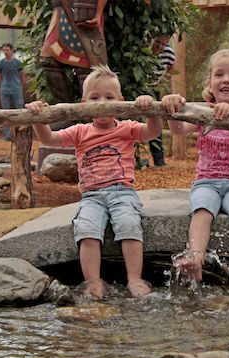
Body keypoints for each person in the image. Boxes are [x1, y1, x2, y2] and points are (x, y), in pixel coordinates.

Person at [25, 64, 163, 299]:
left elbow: (152, 132)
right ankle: (93, 280)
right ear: (84, 102)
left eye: (109, 98)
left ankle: (135, 278)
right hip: (92, 196)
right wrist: (39, 117)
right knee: (87, 230)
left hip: (123, 192)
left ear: (120, 101)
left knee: (129, 225)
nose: (102, 103)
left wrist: (150, 110)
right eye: (95, 97)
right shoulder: (80, 131)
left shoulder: (127, 128)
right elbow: (48, 138)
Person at [161, 48, 229, 299]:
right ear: (210, 83)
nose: (226, 79)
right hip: (207, 182)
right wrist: (173, 108)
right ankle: (195, 258)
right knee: (203, 210)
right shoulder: (203, 113)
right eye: (219, 74)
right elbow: (179, 129)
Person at [147, 35, 176, 167]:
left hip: (154, 88)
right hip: (140, 86)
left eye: (163, 44)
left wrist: (162, 83)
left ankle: (159, 160)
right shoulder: (144, 48)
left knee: (155, 121)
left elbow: (172, 67)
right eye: (157, 42)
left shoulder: (169, 53)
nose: (159, 47)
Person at [0, 43, 26, 141]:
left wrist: (20, 87)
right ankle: (8, 135)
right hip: (5, 89)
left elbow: (22, 76)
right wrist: (3, 86)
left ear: (12, 50)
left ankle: (21, 135)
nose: (5, 52)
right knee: (5, 112)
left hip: (16, 88)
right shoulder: (0, 63)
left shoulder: (18, 63)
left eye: (7, 50)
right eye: (4, 50)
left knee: (20, 110)